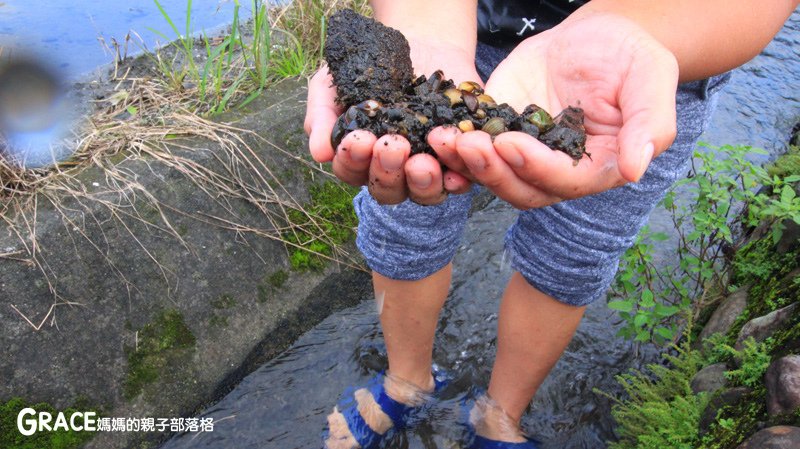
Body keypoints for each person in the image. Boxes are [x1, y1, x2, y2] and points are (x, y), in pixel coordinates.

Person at [304, 1, 800, 447]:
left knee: (572, 255)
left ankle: (499, 413)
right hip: (469, 34)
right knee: (404, 216)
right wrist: (421, 31)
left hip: (654, 67)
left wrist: (630, 27)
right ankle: (407, 381)